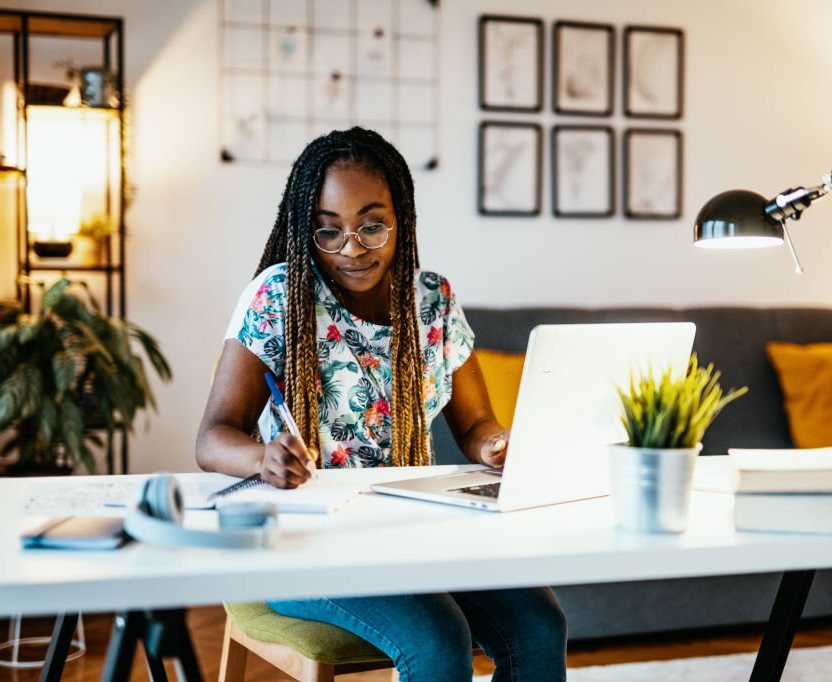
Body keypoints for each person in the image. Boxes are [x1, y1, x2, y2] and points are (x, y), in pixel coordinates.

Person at [196, 127, 567, 681]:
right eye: (329, 231)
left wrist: (494, 443)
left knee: (540, 626)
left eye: (372, 225)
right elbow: (213, 437)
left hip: (411, 530)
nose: (352, 247)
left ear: (402, 219)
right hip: (303, 541)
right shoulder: (279, 296)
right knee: (439, 639)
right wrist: (261, 458)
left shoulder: (433, 301)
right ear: (307, 229)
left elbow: (475, 424)